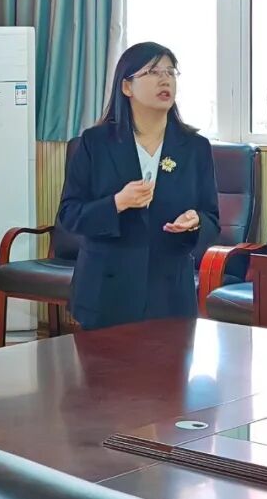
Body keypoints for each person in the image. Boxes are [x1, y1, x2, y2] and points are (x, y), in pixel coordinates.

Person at [57, 42, 219, 331]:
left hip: (169, 294)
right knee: (103, 363)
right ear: (126, 87)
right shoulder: (95, 143)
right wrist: (117, 203)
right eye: (153, 72)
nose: (165, 80)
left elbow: (212, 218)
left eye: (170, 72)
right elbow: (70, 214)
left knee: (169, 363)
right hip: (107, 291)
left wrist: (196, 221)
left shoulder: (195, 147)